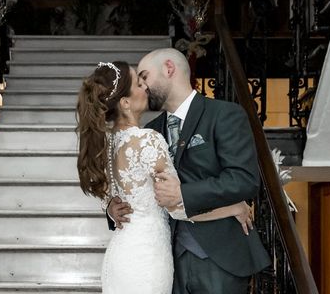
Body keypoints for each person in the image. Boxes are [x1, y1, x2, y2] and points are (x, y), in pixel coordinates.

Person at [77, 61, 255, 294]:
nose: (145, 87)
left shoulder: (107, 143)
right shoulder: (149, 137)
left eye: (144, 78)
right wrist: (233, 208)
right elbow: (177, 205)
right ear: (125, 102)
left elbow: (114, 189)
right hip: (148, 257)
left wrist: (110, 204)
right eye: (139, 82)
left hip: (125, 255)